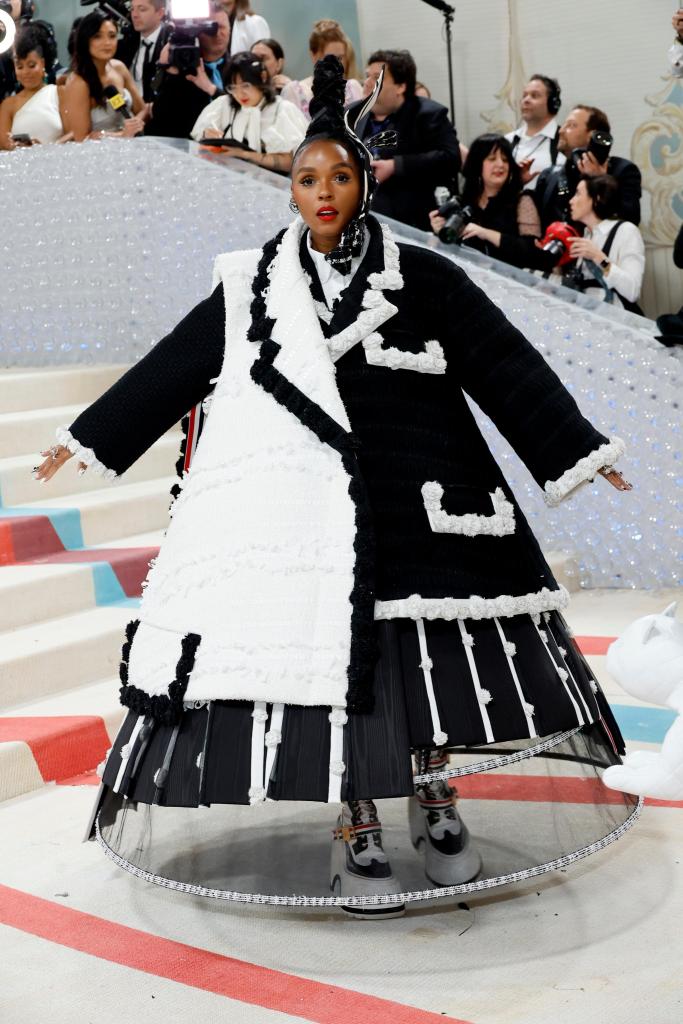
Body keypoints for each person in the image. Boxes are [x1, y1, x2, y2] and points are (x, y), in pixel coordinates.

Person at [36, 55, 635, 920]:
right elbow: (175, 366)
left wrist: (575, 446)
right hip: (307, 514)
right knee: (331, 662)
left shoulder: (423, 273)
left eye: (339, 177)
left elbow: (502, 364)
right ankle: (356, 813)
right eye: (308, 178)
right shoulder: (254, 286)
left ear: (361, 183)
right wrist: (86, 437)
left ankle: (433, 788)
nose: (323, 193)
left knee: (424, 661)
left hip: (424, 497)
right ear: (290, 190)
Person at [349, 48, 461, 231]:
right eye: (367, 76)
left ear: (400, 86)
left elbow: (451, 158)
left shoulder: (429, 114)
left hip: (411, 223)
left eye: (376, 78)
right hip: (361, 220)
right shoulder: (351, 114)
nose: (367, 83)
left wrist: (396, 166)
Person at [428, 133, 546, 270]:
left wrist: (485, 233)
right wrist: (441, 232)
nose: (500, 165)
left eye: (505, 160)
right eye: (492, 159)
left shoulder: (522, 200)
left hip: (509, 279)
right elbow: (447, 254)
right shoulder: (463, 202)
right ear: (477, 164)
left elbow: (533, 252)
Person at [190, 50, 307, 173]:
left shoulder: (282, 110)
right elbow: (198, 136)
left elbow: (291, 163)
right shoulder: (224, 104)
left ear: (263, 77)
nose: (240, 94)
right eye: (233, 87)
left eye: (245, 85)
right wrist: (207, 134)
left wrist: (245, 154)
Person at [535, 105, 642, 230]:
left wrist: (600, 180)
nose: (561, 131)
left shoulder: (623, 171)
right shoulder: (549, 175)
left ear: (592, 135)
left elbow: (630, 220)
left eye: (571, 125)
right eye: (564, 125)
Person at [146, 2, 230, 139]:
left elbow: (241, 110)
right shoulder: (183, 69)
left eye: (223, 27)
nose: (218, 33)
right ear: (197, 32)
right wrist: (170, 73)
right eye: (212, 28)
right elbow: (161, 120)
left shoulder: (237, 68)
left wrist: (210, 88)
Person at [61, 11, 145, 140]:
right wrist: (122, 135)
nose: (107, 43)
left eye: (112, 36)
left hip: (134, 143)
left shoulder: (119, 67)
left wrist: (136, 123)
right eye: (98, 36)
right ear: (85, 40)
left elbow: (142, 109)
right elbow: (81, 138)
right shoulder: (78, 82)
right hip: (100, 151)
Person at [567, 175, 645, 312]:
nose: (571, 201)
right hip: (586, 315)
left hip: (615, 317)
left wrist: (599, 258)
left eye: (578, 194)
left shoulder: (626, 231)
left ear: (596, 199)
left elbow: (632, 291)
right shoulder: (586, 234)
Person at [0, 23, 66, 147]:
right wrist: (13, 145)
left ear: (42, 63)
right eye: (20, 67)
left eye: (31, 65)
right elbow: (3, 145)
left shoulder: (60, 93)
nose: (26, 72)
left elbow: (74, 133)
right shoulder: (8, 105)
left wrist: (46, 147)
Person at [281, 18, 362, 118]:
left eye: (340, 58)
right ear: (313, 55)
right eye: (329, 58)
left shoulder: (353, 89)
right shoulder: (294, 92)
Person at [505, 74, 565, 191]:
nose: (526, 100)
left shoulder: (565, 140)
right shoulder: (507, 140)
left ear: (553, 104)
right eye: (524, 95)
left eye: (534, 96)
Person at [122, 0, 170, 105]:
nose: (134, 15)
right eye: (132, 9)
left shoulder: (172, 43)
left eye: (142, 9)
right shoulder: (126, 42)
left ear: (160, 13)